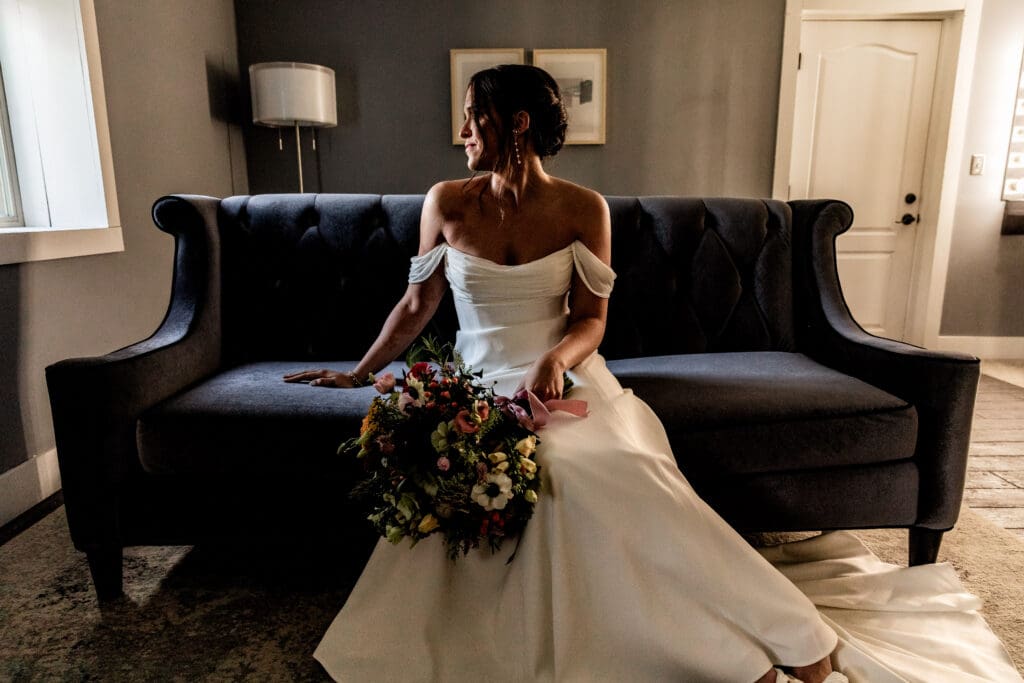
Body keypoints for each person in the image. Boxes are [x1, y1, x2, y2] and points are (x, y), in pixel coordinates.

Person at [284, 64, 847, 683]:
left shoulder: (584, 208)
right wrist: (360, 374)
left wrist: (552, 359)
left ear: (517, 123)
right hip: (476, 384)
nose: (463, 130)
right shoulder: (445, 202)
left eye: (476, 115)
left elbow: (591, 320)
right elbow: (417, 304)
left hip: (566, 376)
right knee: (529, 472)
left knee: (606, 466)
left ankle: (764, 628)